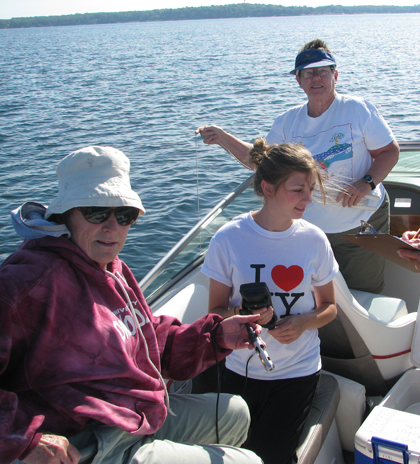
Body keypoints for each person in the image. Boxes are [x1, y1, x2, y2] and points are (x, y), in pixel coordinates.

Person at [0, 146, 265, 464]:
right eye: (97, 213)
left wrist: (216, 336)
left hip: (133, 414)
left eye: (123, 215)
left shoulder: (113, 268)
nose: (112, 227)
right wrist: (24, 440)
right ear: (65, 215)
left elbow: (150, 340)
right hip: (88, 441)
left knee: (236, 412)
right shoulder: (25, 284)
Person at [196, 38, 400, 294]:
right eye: (308, 73)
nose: (316, 79)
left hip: (361, 221)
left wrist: (366, 182)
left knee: (364, 292)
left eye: (322, 72)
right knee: (316, 295)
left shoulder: (358, 110)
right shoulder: (287, 122)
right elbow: (260, 161)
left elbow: (389, 152)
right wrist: (223, 137)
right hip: (312, 228)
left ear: (335, 75)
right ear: (298, 80)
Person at [201, 139, 339, 464]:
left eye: (310, 189)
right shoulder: (228, 239)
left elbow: (330, 307)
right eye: (298, 190)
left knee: (274, 456)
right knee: (239, 455)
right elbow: (215, 311)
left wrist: (304, 322)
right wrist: (242, 314)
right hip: (240, 370)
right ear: (267, 187)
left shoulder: (314, 240)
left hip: (299, 372)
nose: (308, 199)